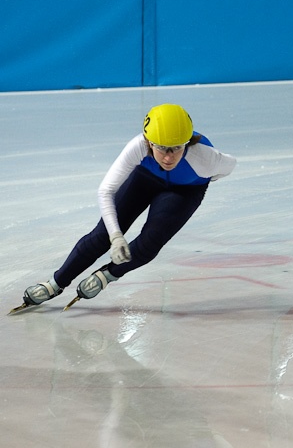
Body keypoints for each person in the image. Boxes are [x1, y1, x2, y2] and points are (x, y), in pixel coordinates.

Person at [16, 104, 237, 310]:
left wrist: (197, 180)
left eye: (177, 148)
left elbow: (228, 166)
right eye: (161, 148)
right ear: (149, 142)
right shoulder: (138, 146)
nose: (169, 157)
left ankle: (109, 275)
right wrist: (116, 236)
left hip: (184, 190)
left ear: (187, 142)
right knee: (101, 236)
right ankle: (56, 283)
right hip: (146, 178)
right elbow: (105, 191)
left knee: (150, 242)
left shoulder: (206, 158)